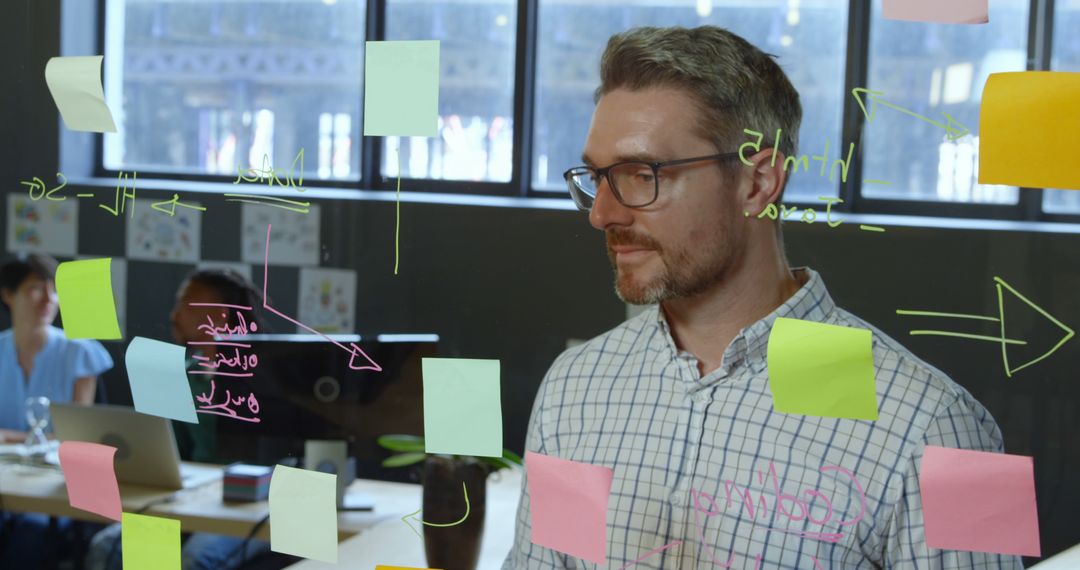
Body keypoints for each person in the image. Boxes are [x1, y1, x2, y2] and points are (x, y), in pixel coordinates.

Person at [505, 26, 1022, 568]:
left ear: (758, 182)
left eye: (642, 174)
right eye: (596, 177)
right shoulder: (574, 386)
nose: (601, 213)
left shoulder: (947, 431)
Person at [86, 268, 271, 570]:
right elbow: (172, 457)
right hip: (192, 502)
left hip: (251, 508)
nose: (173, 316)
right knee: (106, 547)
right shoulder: (179, 374)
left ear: (220, 316)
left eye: (184, 305)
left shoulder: (266, 377)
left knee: (194, 560)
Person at [0, 253, 114, 567]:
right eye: (36, 288)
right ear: (8, 295)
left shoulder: (80, 352)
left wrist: (8, 437)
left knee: (31, 533)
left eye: (54, 288)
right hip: (6, 481)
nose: (49, 298)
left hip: (56, 486)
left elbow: (78, 438)